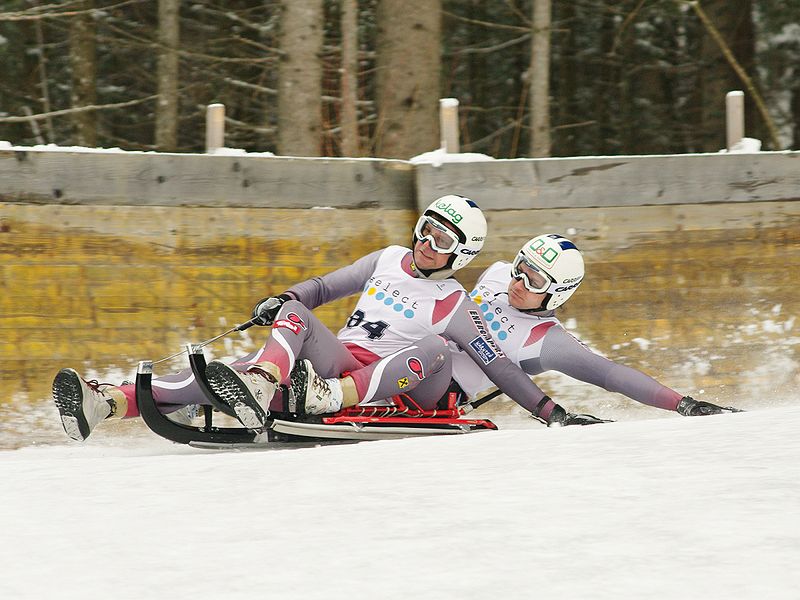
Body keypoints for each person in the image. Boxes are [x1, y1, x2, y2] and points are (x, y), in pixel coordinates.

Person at [52, 196, 583, 442]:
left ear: (460, 254)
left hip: (373, 382)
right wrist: (282, 297)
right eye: (425, 229)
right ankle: (107, 402)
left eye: (441, 240)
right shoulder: (387, 259)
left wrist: (548, 410)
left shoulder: (453, 302)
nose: (426, 243)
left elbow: (497, 366)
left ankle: (265, 386)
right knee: (267, 337)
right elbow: (325, 288)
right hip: (332, 358)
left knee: (432, 350)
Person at [446, 233, 742, 417]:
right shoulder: (497, 272)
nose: (518, 283)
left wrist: (683, 404)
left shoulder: (549, 343)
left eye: (533, 281)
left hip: (442, 385)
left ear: (555, 294)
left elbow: (613, 375)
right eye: (519, 269)